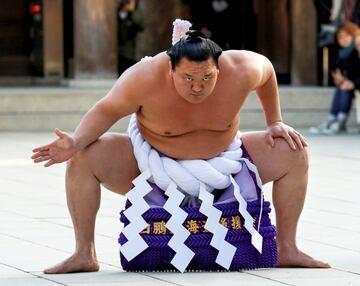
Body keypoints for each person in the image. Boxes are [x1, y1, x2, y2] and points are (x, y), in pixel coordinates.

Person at [32, 26, 331, 274]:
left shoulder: (240, 68)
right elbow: (105, 110)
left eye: (207, 78)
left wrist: (275, 121)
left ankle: (286, 247)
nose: (197, 87)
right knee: (84, 155)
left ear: (219, 68)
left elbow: (267, 73)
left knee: (293, 150)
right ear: (170, 69)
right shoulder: (144, 77)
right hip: (152, 167)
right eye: (188, 78)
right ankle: (84, 253)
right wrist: (75, 141)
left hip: (225, 166)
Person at [311, 21, 357, 134]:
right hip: (350, 83)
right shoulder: (343, 53)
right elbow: (336, 69)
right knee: (341, 87)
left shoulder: (355, 50)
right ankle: (333, 119)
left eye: (347, 36)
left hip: (355, 83)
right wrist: (341, 79)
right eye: (340, 37)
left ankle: (340, 121)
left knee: (343, 87)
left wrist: (352, 82)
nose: (344, 39)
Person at [117, 0, 144, 75]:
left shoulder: (135, 13)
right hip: (115, 52)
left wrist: (132, 11)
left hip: (129, 53)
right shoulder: (115, 11)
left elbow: (141, 26)